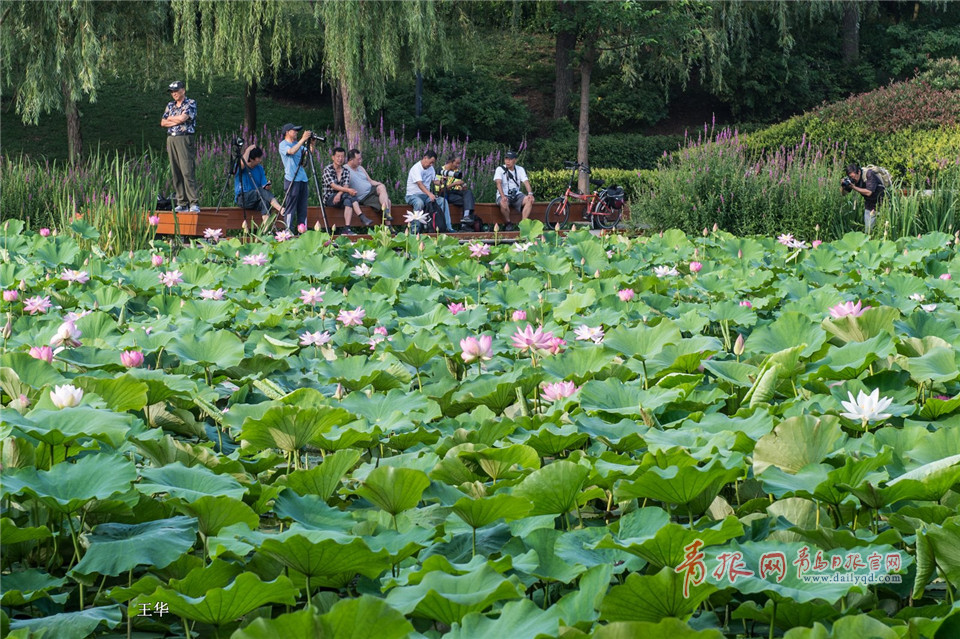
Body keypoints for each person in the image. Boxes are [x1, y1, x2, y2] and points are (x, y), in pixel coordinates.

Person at [160, 80, 200, 213]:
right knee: (175, 171)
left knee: (187, 170)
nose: (174, 94)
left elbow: (183, 118)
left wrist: (172, 118)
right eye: (172, 92)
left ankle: (193, 202)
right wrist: (175, 119)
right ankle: (181, 202)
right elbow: (163, 122)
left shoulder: (190, 103)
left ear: (183, 90)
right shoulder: (170, 105)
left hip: (184, 138)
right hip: (171, 138)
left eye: (176, 91)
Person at [322, 146, 373, 235]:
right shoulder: (328, 169)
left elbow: (346, 185)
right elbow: (333, 185)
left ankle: (347, 229)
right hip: (329, 198)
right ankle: (362, 217)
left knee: (348, 200)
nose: (340, 159)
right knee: (349, 195)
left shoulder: (345, 171)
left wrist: (339, 194)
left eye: (342, 156)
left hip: (341, 198)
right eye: (338, 156)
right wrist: (346, 191)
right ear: (333, 157)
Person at [235, 145, 285, 226]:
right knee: (260, 191)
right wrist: (248, 150)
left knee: (265, 202)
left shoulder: (259, 168)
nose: (261, 160)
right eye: (259, 158)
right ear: (251, 159)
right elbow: (241, 163)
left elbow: (263, 186)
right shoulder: (241, 168)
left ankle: (266, 230)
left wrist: (267, 186)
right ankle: (280, 208)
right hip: (243, 198)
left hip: (256, 198)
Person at [405, 150, 452, 232]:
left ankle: (448, 227)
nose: (431, 165)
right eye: (430, 162)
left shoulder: (431, 169)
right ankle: (415, 230)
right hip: (413, 195)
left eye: (433, 163)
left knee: (442, 201)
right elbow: (420, 184)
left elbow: (435, 181)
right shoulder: (416, 168)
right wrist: (430, 194)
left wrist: (441, 181)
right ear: (425, 158)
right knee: (419, 203)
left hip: (426, 196)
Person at [279, 123, 312, 230]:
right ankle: (288, 230)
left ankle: (302, 230)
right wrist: (303, 139)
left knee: (302, 207)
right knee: (291, 206)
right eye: (294, 131)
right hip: (291, 179)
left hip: (303, 179)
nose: (297, 133)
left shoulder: (298, 144)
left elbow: (308, 154)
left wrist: (311, 144)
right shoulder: (283, 144)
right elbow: (291, 152)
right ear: (287, 132)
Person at [345, 148, 392, 225]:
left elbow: (370, 180)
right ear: (351, 160)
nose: (360, 161)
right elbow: (345, 186)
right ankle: (389, 226)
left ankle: (386, 213)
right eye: (358, 159)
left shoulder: (360, 168)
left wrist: (380, 184)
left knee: (381, 187)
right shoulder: (345, 170)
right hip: (364, 197)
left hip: (371, 190)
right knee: (388, 202)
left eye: (361, 158)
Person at [494, 151, 534, 231]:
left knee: (530, 200)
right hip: (504, 194)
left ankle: (523, 224)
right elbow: (498, 183)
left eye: (510, 159)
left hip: (516, 194)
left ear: (515, 160)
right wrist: (503, 196)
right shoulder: (500, 169)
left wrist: (530, 193)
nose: (507, 161)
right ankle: (508, 223)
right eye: (506, 159)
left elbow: (526, 182)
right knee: (503, 202)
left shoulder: (520, 169)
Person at [842, 163, 886, 234]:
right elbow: (843, 194)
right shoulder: (852, 180)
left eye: (853, 177)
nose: (853, 179)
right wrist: (843, 185)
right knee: (868, 231)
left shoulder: (869, 174)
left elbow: (869, 192)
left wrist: (853, 187)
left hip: (883, 204)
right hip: (869, 205)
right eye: (851, 177)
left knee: (884, 230)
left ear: (858, 172)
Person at [437, 154, 476, 231]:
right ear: (451, 162)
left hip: (455, 192)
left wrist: (463, 187)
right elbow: (440, 191)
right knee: (468, 201)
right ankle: (465, 225)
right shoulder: (440, 171)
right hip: (445, 194)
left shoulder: (456, 172)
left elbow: (458, 187)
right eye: (457, 163)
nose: (458, 166)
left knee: (468, 193)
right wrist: (453, 184)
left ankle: (466, 217)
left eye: (459, 163)